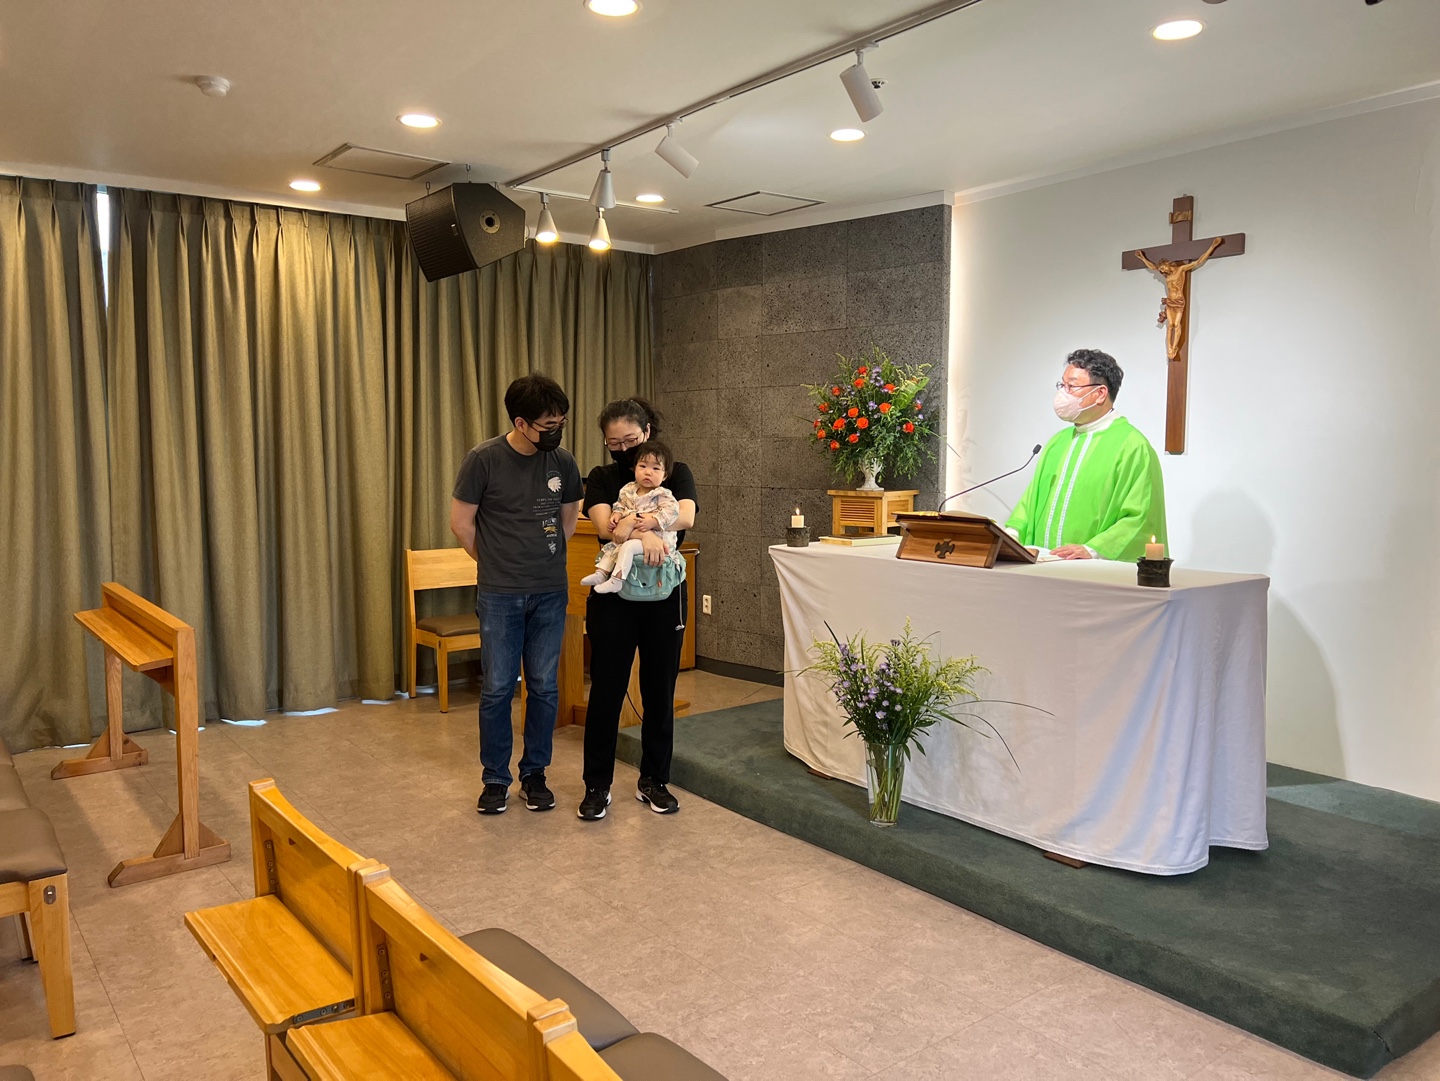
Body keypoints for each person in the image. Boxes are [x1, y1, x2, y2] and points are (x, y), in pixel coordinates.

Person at [450, 374, 583, 815]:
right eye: (548, 425)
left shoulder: (563, 461)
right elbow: (461, 524)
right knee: (498, 687)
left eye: (561, 423)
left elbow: (569, 518)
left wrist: (544, 558)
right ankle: (495, 779)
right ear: (521, 422)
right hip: (500, 594)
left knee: (543, 686)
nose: (556, 431)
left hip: (550, 591)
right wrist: (495, 563)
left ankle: (535, 774)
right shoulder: (483, 459)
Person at [577, 400, 697, 820]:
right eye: (614, 442)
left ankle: (654, 781)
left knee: (659, 692)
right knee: (606, 691)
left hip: (665, 595)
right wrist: (645, 533)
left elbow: (686, 517)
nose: (624, 450)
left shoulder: (674, 471)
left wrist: (637, 526)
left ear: (647, 433)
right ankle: (597, 786)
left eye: (630, 440)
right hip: (614, 601)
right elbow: (603, 526)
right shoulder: (602, 477)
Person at [1005, 348, 1166, 561]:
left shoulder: (1132, 446)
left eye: (1071, 386)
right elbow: (1030, 501)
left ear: (1100, 394)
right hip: (1043, 565)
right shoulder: (1058, 442)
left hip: (1092, 569)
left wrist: (1092, 550)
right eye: (1062, 385)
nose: (1063, 393)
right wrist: (1010, 534)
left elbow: (1141, 516)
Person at [580, 441, 684, 595]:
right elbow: (620, 505)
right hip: (634, 535)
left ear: (665, 475)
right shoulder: (628, 489)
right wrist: (616, 515)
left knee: (627, 547)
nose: (648, 472)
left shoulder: (662, 494)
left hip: (658, 540)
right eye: (643, 466)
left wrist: (654, 521)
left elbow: (672, 511)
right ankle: (601, 574)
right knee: (613, 546)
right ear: (635, 468)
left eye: (656, 468)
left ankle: (617, 580)